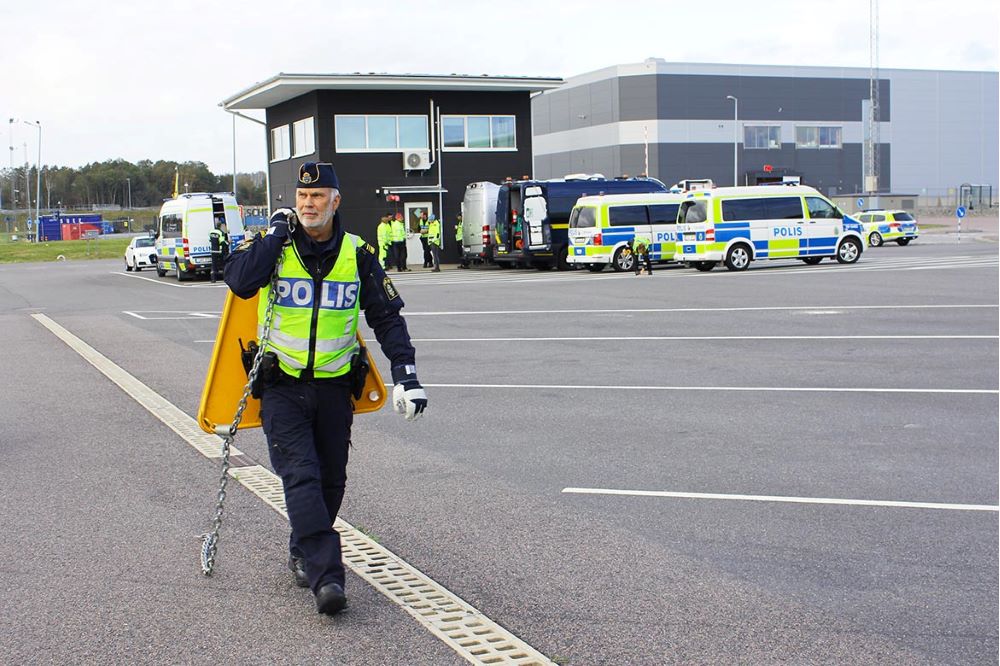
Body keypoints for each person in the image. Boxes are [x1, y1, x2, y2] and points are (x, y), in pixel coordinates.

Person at [224, 161, 428, 616]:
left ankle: (303, 548)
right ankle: (327, 576)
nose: (307, 204)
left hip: (336, 386)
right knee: (301, 476)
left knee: (331, 480)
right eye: (301, 196)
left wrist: (407, 374)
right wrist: (275, 235)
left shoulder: (357, 254)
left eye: (317, 197)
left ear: (335, 202)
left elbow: (387, 318)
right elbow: (239, 281)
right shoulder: (276, 246)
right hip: (282, 384)